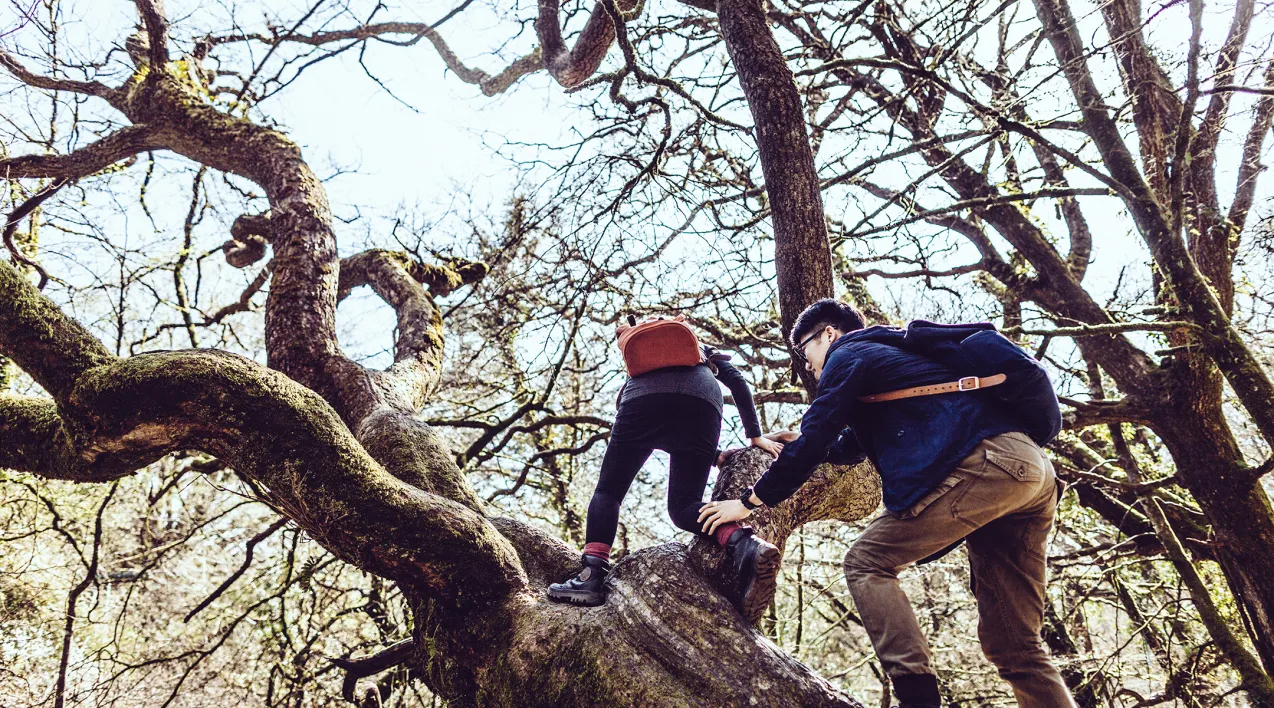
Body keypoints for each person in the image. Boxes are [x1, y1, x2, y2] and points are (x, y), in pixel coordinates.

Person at [698, 299, 1075, 708]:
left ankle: (918, 698)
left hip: (988, 465)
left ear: (829, 334)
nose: (806, 366)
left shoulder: (851, 352)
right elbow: (845, 446)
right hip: (1030, 471)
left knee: (866, 562)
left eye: (804, 350)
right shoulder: (891, 358)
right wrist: (800, 442)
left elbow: (817, 435)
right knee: (1015, 645)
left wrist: (747, 503)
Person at [548, 331, 784, 621]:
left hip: (642, 400)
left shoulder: (640, 365)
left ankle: (591, 574)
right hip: (705, 400)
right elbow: (735, 381)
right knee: (683, 507)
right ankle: (745, 544)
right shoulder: (698, 348)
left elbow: (651, 422)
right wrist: (753, 437)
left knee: (609, 492)